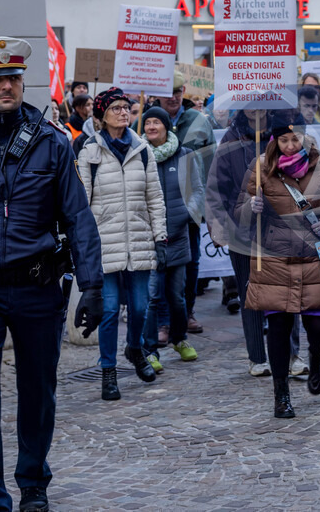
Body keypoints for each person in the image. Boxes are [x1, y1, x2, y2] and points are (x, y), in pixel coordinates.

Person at [0, 37, 104, 512]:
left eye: (12, 78)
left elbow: (78, 216)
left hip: (38, 284)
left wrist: (92, 286)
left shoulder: (50, 140)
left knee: (38, 393)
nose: (6, 86)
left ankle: (32, 482)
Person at [240, 110, 320, 417]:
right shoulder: (261, 166)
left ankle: (315, 357)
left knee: (318, 326)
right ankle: (281, 394)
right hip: (275, 257)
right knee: (278, 327)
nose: (290, 145)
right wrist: (252, 206)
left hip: (314, 254)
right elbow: (240, 211)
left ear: (305, 136)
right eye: (284, 139)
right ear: (275, 139)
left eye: (295, 138)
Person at [77, 88, 167, 400]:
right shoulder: (89, 152)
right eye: (115, 108)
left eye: (125, 107)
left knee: (141, 307)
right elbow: (82, 205)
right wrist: (85, 247)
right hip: (105, 244)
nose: (122, 112)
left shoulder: (142, 150)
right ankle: (108, 371)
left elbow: (155, 198)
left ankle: (134, 348)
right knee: (110, 310)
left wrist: (160, 235)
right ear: (101, 115)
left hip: (139, 241)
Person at [207, 108, 302, 377]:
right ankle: (257, 357)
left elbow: (303, 173)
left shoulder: (284, 132)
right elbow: (216, 188)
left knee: (288, 291)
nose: (256, 106)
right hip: (243, 229)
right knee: (251, 294)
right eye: (250, 100)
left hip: (282, 227)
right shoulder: (231, 138)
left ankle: (293, 355)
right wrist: (220, 224)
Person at [140, 107, 204, 372]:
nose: (152, 126)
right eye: (148, 122)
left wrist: (187, 215)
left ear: (167, 127)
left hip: (177, 236)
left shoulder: (185, 155)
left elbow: (198, 190)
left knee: (177, 297)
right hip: (150, 238)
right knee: (153, 297)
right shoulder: (138, 157)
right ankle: (150, 349)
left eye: (157, 121)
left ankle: (180, 339)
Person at [153, 71, 216, 335]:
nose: (174, 98)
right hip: (158, 206)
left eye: (178, 93)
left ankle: (187, 312)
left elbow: (211, 164)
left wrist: (202, 206)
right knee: (160, 266)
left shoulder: (198, 120)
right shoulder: (149, 121)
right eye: (169, 93)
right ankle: (164, 320)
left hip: (190, 206)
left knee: (190, 263)